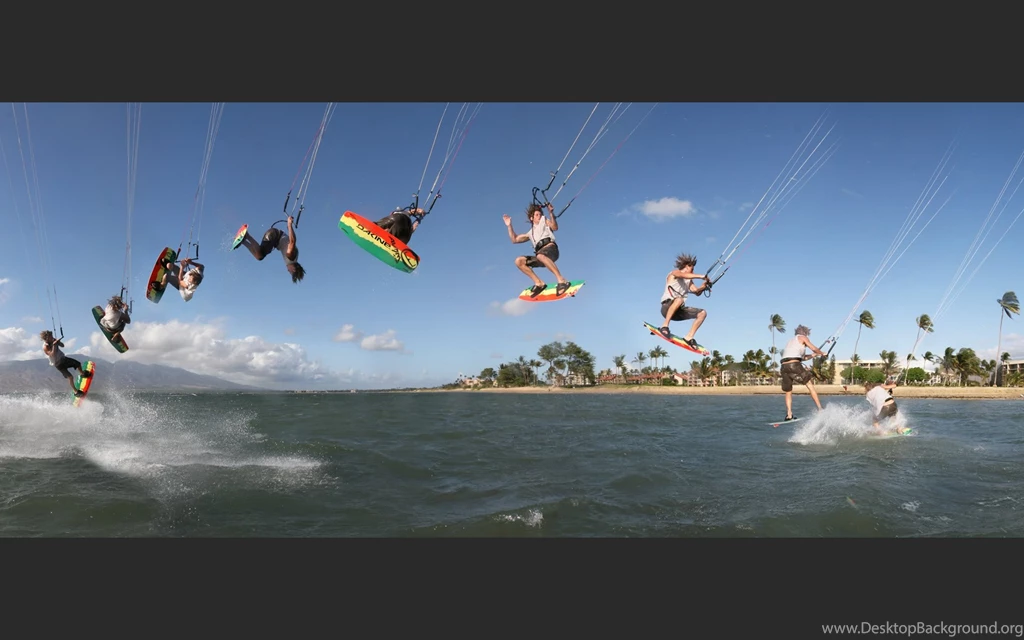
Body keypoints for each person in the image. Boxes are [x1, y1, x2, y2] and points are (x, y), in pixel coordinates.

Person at [503, 202, 570, 298]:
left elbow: (555, 227)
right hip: (541, 255)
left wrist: (551, 214)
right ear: (531, 218)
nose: (539, 216)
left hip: (551, 249)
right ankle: (539, 283)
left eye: (540, 214)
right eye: (537, 214)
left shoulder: (544, 221)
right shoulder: (530, 233)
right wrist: (509, 225)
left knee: (540, 255)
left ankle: (561, 280)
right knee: (519, 261)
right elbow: (514, 239)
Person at [659, 253, 709, 349]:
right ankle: (664, 326)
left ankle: (688, 337)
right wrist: (702, 276)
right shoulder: (675, 273)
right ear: (686, 266)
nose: (693, 271)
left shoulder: (688, 281)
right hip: (666, 307)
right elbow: (683, 275)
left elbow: (696, 292)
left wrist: (704, 286)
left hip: (678, 312)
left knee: (702, 313)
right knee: (679, 299)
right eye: (692, 268)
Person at [235, 215, 305, 283]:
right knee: (260, 255)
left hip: (274, 240)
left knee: (259, 256)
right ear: (294, 269)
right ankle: (246, 236)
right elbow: (292, 241)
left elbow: (291, 242)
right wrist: (289, 225)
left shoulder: (294, 258)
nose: (288, 271)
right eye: (290, 272)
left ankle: (243, 241)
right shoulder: (291, 257)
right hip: (273, 235)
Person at [779, 324, 826, 421]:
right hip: (794, 365)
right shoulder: (802, 337)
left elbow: (803, 358)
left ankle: (789, 415)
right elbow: (813, 348)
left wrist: (813, 355)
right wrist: (822, 353)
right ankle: (820, 409)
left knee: (788, 392)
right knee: (809, 385)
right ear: (804, 333)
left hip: (784, 366)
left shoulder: (791, 342)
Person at [40, 330, 91, 396]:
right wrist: (54, 345)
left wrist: (58, 342)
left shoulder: (53, 340)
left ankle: (82, 373)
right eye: (50, 336)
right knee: (70, 377)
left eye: (52, 335)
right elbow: (52, 354)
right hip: (58, 364)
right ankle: (76, 391)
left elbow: (62, 345)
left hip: (63, 359)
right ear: (46, 338)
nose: (52, 337)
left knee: (78, 364)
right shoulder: (45, 347)